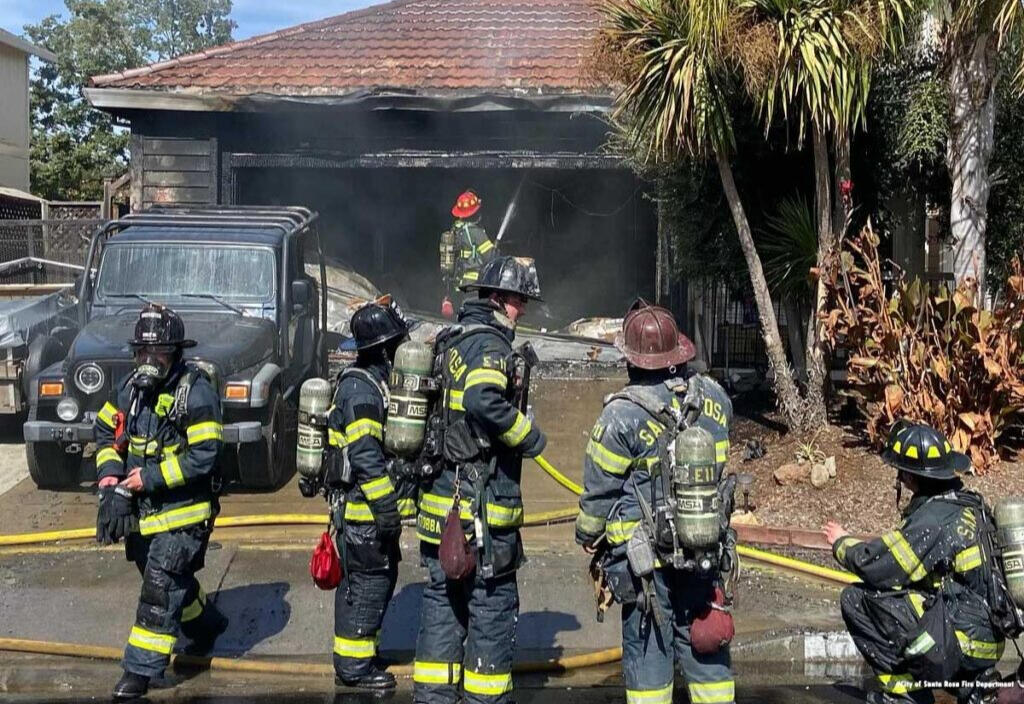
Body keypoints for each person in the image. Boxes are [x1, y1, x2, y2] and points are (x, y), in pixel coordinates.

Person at [575, 299, 737, 704]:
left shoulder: (620, 416)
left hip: (645, 562)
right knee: (705, 645)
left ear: (632, 360)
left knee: (649, 648)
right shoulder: (715, 399)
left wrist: (588, 534)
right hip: (704, 547)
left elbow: (599, 490)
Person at [413, 255, 547, 704]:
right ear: (498, 299)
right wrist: (528, 436)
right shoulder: (490, 346)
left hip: (440, 505)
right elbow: (482, 399)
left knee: (442, 602)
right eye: (518, 301)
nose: (522, 310)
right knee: (490, 605)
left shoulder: (451, 342)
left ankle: (434, 696)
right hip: (480, 512)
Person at [94, 304, 227, 700]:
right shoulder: (130, 390)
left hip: (185, 511)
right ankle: (206, 626)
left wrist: (148, 478)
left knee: (160, 583)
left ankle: (140, 671)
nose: (149, 361)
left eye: (159, 354)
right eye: (142, 353)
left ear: (175, 353)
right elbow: (105, 431)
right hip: (144, 511)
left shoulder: (196, 391)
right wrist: (110, 481)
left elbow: (205, 454)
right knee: (170, 583)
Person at [825, 421, 1003, 704]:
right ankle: (973, 687)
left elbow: (879, 567)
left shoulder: (933, 520)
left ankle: (906, 695)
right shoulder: (969, 505)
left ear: (911, 476)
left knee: (857, 599)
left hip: (961, 640)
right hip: (986, 640)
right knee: (927, 598)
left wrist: (841, 543)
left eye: (902, 472)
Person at [325, 299, 417, 690]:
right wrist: (386, 509)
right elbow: (365, 457)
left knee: (375, 583)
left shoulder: (369, 382)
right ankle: (354, 669)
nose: (401, 348)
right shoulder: (361, 391)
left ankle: (364, 655)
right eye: (396, 342)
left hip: (366, 516)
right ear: (381, 348)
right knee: (365, 588)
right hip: (364, 516)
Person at [440, 190, 498, 316]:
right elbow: (491, 257)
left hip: (458, 283)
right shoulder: (476, 233)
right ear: (475, 213)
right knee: (474, 315)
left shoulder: (456, 229)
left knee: (461, 314)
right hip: (474, 285)